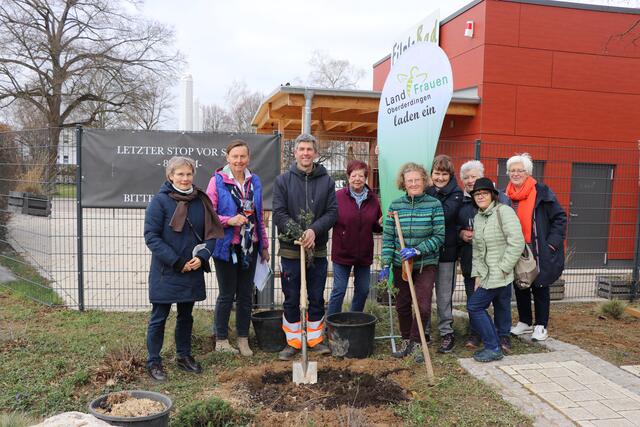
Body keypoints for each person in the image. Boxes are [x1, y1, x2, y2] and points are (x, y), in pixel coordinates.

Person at [144, 156, 223, 381]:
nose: (185, 178)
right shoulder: (159, 202)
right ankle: (153, 361)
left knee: (186, 315)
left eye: (188, 174)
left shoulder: (201, 201)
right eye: (180, 174)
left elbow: (212, 233)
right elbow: (151, 236)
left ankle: (184, 356)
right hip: (167, 271)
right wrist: (177, 261)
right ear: (170, 176)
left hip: (193, 268)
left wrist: (203, 255)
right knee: (159, 316)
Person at [273, 133, 338, 361]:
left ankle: (315, 340)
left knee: (316, 296)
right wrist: (298, 233)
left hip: (317, 249)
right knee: (291, 296)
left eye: (309, 149)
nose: (305, 153)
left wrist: (313, 231)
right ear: (295, 153)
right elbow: (279, 213)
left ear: (315, 153)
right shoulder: (283, 181)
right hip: (292, 249)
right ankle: (293, 341)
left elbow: (332, 213)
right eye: (301, 149)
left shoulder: (327, 181)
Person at [206, 140, 269, 357]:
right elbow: (209, 214)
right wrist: (229, 220)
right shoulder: (217, 181)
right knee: (226, 294)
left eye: (243, 157)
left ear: (248, 158)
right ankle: (221, 339)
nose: (239, 161)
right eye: (235, 157)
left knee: (245, 295)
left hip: (249, 247)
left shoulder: (255, 181)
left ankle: (243, 338)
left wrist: (264, 245)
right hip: (226, 247)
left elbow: (259, 215)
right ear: (227, 158)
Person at [380, 162, 444, 362]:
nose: (414, 183)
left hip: (426, 263)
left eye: (417, 180)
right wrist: (385, 264)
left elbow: (440, 235)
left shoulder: (434, 205)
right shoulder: (396, 205)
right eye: (410, 181)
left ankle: (417, 342)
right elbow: (389, 237)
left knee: (422, 305)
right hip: (402, 265)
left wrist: (417, 250)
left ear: (424, 181)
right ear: (404, 183)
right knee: (402, 304)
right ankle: (407, 340)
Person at [505, 153, 567, 342]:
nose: (515, 174)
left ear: (528, 172)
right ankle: (525, 322)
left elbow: (560, 218)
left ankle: (541, 325)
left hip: (538, 247)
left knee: (540, 286)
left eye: (519, 171)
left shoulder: (541, 192)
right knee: (521, 284)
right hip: (516, 247)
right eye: (512, 171)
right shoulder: (505, 194)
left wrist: (551, 244)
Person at [468, 177, 525, 362]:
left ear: (492, 195)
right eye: (477, 194)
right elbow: (477, 249)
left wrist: (503, 268)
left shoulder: (505, 212)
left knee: (474, 306)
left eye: (484, 193)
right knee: (481, 306)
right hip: (485, 274)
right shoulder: (478, 217)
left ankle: (493, 347)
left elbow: (517, 243)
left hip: (499, 273)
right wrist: (477, 274)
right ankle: (494, 344)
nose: (480, 196)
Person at [457, 160, 511, 351]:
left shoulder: (502, 203)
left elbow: (513, 237)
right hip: (472, 261)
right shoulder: (461, 202)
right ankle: (476, 333)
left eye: (474, 176)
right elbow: (453, 226)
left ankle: (503, 335)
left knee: (502, 300)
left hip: (499, 264)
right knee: (475, 300)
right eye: (467, 177)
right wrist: (461, 233)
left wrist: (505, 266)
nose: (470, 180)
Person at [326, 160, 382, 316]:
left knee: (363, 290)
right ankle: (331, 324)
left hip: (364, 254)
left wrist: (381, 224)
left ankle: (353, 320)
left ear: (366, 178)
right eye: (354, 175)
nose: (357, 178)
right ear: (348, 177)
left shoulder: (373, 199)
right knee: (339, 290)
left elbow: (375, 227)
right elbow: (329, 219)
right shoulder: (337, 197)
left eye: (361, 175)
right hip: (342, 252)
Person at [425, 154, 463, 353]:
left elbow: (445, 215)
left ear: (450, 175)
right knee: (423, 293)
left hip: (446, 253)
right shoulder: (427, 190)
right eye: (436, 173)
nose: (439, 178)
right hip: (425, 252)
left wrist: (426, 210)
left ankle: (446, 331)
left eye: (443, 174)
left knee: (443, 294)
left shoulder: (456, 193)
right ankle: (424, 329)